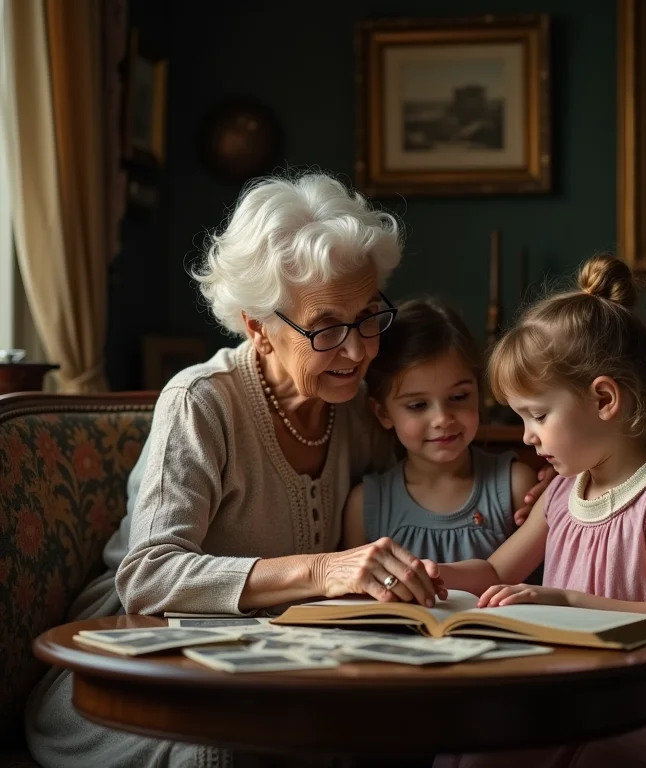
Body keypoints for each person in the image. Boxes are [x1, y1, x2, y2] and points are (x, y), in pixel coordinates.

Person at [24, 172, 554, 768]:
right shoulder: (202, 401)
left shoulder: (357, 406)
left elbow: (424, 482)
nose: (357, 352)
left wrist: (535, 499)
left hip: (289, 667)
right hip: (141, 670)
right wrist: (325, 570)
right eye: (326, 328)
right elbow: (148, 577)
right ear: (258, 326)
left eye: (368, 316)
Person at [429, 254, 646, 768]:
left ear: (604, 398)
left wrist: (562, 600)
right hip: (572, 682)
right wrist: (433, 575)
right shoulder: (562, 490)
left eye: (538, 414)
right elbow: (497, 570)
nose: (526, 435)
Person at [343, 298, 535, 564]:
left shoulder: (515, 487)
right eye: (418, 405)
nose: (443, 419)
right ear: (383, 413)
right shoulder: (366, 505)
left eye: (458, 397)